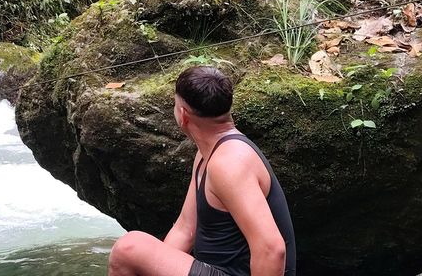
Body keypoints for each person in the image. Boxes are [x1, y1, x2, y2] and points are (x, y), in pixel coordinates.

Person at [108, 66, 296, 276]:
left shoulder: (230, 162)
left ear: (182, 114)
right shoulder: (208, 154)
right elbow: (185, 229)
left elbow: (272, 249)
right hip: (214, 270)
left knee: (129, 248)